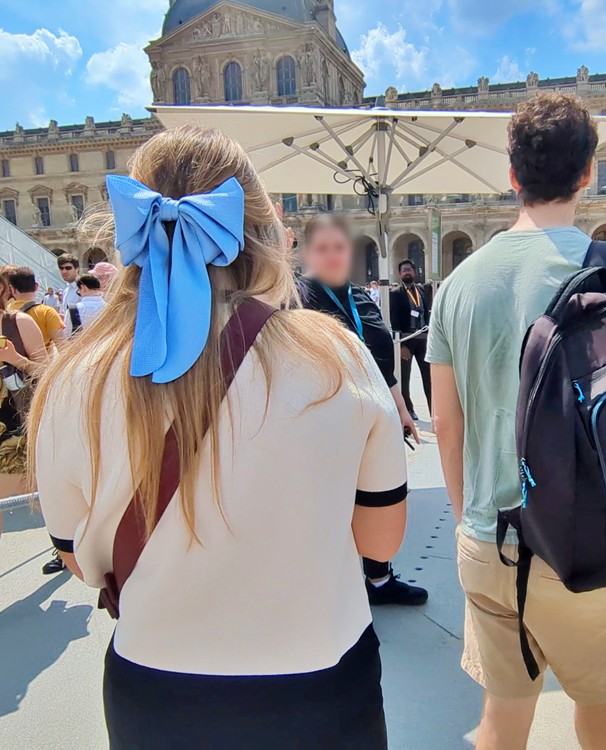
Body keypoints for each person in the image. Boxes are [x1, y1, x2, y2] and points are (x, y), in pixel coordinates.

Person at [30, 126, 407, 748]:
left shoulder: (75, 378)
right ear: (262, 230)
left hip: (155, 686)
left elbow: (79, 563)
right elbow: (380, 539)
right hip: (320, 675)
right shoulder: (336, 358)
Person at [429, 93, 606, 750]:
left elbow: (446, 426)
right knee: (598, 703)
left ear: (512, 175)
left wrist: (467, 520)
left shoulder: (456, 285)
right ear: (589, 172)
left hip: (488, 534)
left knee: (502, 712)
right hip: (586, 538)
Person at [297, 212, 428, 607]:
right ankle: (333, 593)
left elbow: (380, 359)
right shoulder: (297, 297)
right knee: (331, 503)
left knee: (374, 498)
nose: (332, 255)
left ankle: (379, 579)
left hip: (371, 417)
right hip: (324, 419)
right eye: (322, 248)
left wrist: (400, 407)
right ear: (307, 252)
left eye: (339, 247)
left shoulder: (358, 296)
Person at [0, 267, 46, 545]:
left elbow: (47, 372)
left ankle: (64, 547)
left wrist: (16, 359)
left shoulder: (18, 323)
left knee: (31, 506)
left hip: (18, 433)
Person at [390, 259, 432, 421]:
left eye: (409, 269)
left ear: (414, 272)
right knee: (404, 379)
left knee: (429, 378)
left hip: (423, 339)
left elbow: (427, 313)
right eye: (403, 270)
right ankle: (408, 409)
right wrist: (400, 345)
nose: (407, 272)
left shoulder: (421, 290)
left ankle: (433, 409)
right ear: (399, 274)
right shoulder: (396, 294)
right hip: (406, 340)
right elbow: (394, 320)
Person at [6, 267, 66, 349]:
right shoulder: (47, 312)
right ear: (36, 286)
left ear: (12, 289)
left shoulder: (5, 313)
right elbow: (63, 346)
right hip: (42, 356)